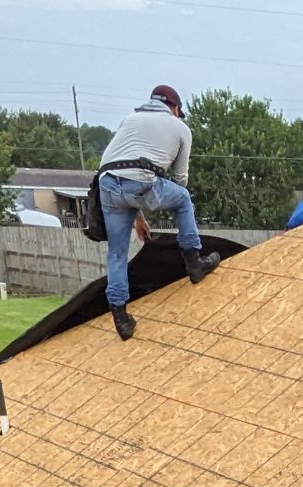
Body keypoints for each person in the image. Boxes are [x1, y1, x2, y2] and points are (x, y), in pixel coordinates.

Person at [90, 85, 217, 340]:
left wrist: (138, 216)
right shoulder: (180, 128)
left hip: (106, 183)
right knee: (182, 199)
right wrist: (161, 202)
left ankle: (121, 318)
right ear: (176, 108)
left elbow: (122, 173)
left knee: (116, 252)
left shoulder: (130, 120)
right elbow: (180, 180)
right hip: (141, 180)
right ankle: (194, 263)